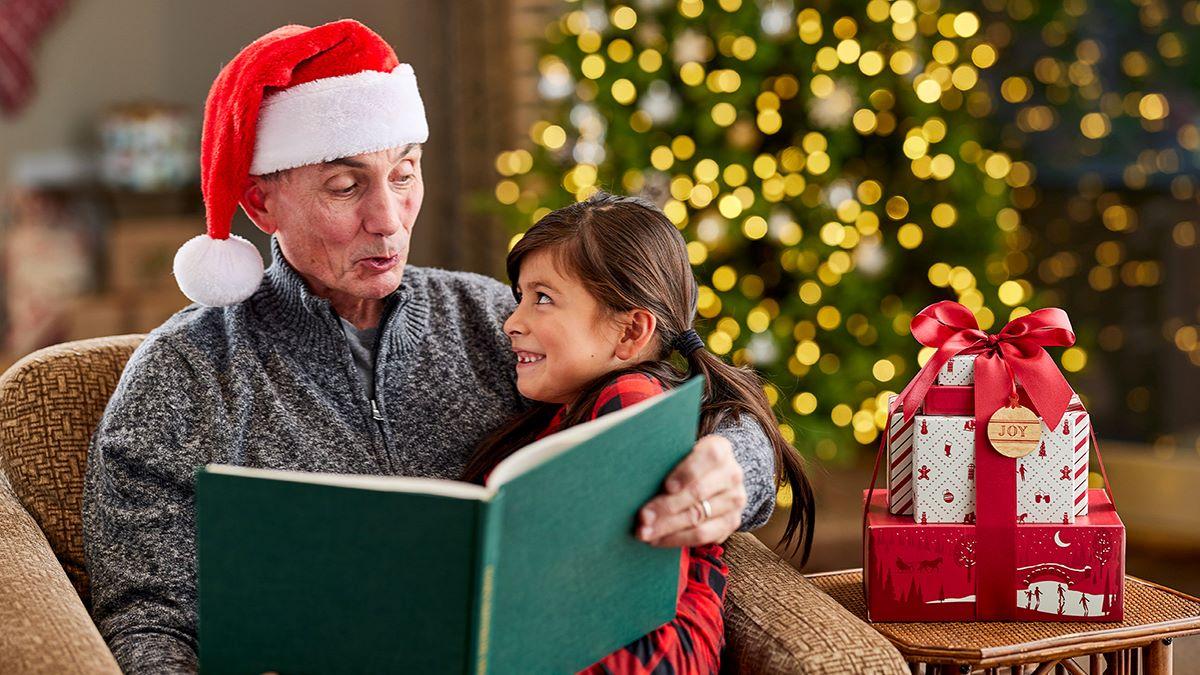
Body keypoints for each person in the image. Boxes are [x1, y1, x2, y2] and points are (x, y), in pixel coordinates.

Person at [81, 20, 780, 673]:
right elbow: (148, 621)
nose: (387, 220)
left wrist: (732, 467)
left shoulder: (496, 318)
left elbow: (685, 379)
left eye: (405, 172)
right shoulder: (183, 375)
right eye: (346, 185)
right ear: (262, 205)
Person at [461, 193, 816, 674]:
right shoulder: (567, 411)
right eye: (520, 297)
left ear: (631, 333)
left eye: (543, 299)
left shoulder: (630, 401)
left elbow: (626, 616)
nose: (512, 322)